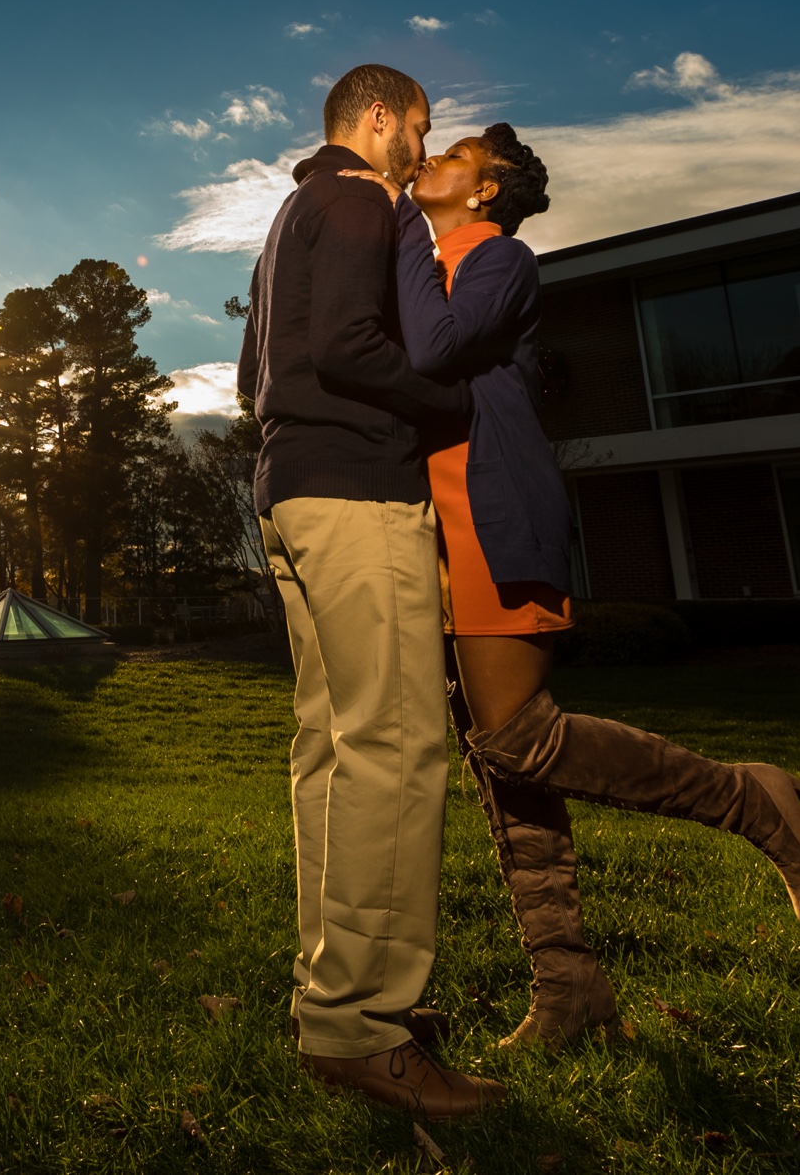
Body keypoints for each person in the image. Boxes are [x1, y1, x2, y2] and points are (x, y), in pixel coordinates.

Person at [371, 126, 800, 1049]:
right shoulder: (432, 261)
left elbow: (431, 354)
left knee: (517, 737)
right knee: (497, 761)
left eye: (455, 152)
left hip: (491, 505)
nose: (432, 158)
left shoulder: (499, 257)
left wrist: (395, 227)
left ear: (485, 191)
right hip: (437, 521)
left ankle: (751, 801)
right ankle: (569, 990)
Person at [235, 65, 502, 1119]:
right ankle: (363, 1022)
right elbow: (350, 346)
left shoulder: (287, 218)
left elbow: (253, 368)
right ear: (379, 117)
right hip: (354, 490)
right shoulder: (356, 197)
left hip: (289, 491)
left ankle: (334, 995)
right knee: (398, 745)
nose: (420, 148)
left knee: (333, 749)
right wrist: (451, 399)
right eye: (419, 127)